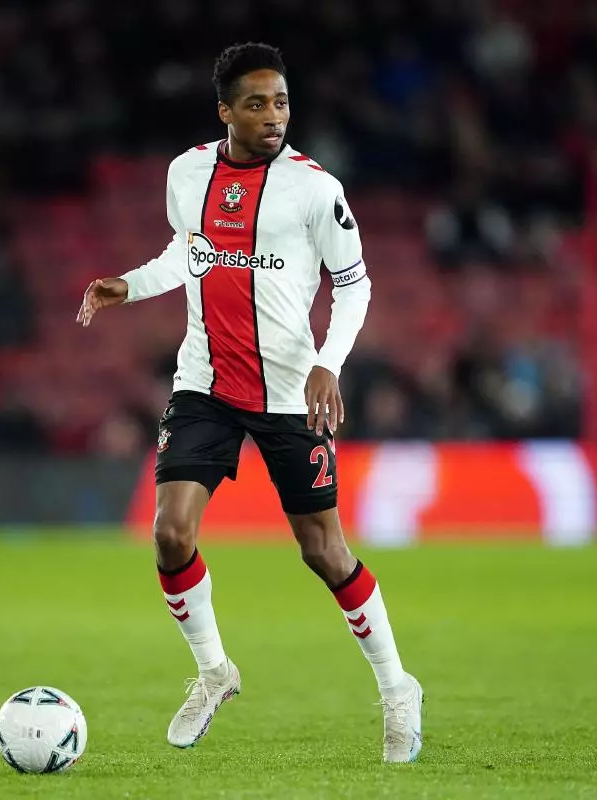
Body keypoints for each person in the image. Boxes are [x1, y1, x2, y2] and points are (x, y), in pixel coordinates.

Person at [78, 43, 423, 763]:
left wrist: (330, 365)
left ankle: (397, 688)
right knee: (171, 534)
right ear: (226, 111)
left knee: (324, 551)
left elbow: (354, 285)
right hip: (204, 381)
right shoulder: (186, 172)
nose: (274, 117)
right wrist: (131, 284)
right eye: (259, 104)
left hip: (293, 390)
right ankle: (213, 672)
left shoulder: (314, 189)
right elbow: (191, 250)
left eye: (283, 103)